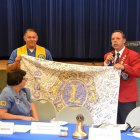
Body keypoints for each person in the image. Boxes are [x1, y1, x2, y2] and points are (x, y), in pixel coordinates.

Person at [104, 30, 140, 124]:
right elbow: (103, 76)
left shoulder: (133, 55)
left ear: (124, 40)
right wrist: (106, 63)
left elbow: (138, 72)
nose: (115, 41)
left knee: (128, 125)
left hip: (127, 98)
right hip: (111, 97)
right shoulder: (107, 56)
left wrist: (124, 67)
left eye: (118, 38)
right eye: (113, 39)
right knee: (113, 125)